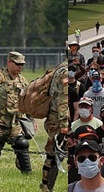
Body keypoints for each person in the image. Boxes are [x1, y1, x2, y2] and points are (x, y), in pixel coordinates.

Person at [0, 51, 31, 174]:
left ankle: (27, 174)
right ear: (9, 62)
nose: (20, 67)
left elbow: (27, 102)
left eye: (22, 64)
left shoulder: (22, 81)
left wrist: (31, 119)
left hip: (15, 122)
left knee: (22, 144)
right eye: (17, 64)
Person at [42, 57, 70, 192]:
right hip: (58, 121)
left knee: (52, 154)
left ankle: (46, 185)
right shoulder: (65, 72)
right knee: (54, 155)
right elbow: (63, 100)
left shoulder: (59, 68)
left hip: (53, 119)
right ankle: (47, 186)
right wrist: (64, 124)